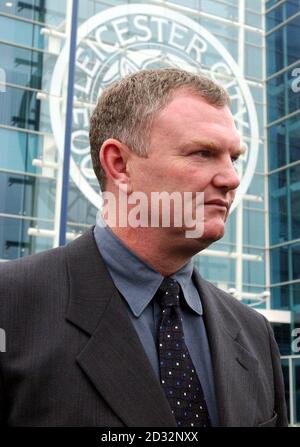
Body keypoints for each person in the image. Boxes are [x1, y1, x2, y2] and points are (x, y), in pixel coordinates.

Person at [0, 69, 287, 427]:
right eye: (203, 153)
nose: (231, 178)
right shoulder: (10, 305)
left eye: (234, 158)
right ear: (119, 164)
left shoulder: (254, 332)